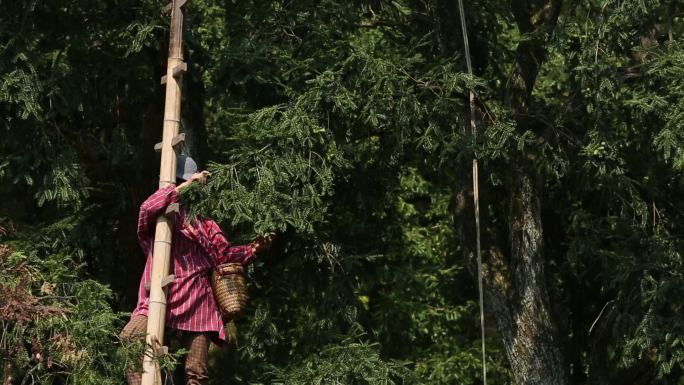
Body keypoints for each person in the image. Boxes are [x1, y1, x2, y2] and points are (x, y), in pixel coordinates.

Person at [120, 155, 271, 385]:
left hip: (198, 303)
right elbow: (146, 208)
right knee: (130, 339)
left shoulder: (205, 224)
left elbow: (225, 255)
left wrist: (254, 249)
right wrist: (185, 187)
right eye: (183, 182)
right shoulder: (160, 215)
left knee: (195, 370)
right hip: (160, 297)